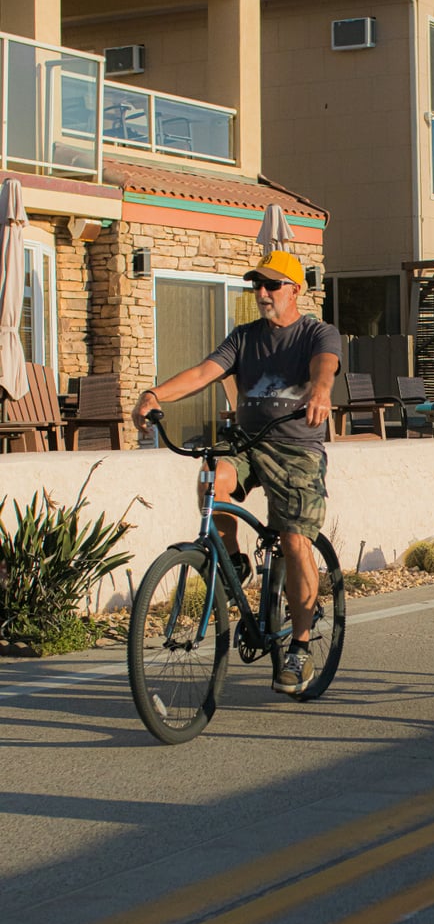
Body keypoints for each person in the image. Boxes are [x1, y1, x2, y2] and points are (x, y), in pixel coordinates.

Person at [132, 249, 342, 694]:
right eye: (256, 286)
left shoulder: (316, 333)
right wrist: (155, 394)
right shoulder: (244, 337)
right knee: (213, 477)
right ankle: (233, 559)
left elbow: (325, 366)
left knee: (293, 540)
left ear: (295, 290)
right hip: (247, 443)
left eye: (271, 285)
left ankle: (300, 649)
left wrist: (322, 390)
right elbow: (204, 372)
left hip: (295, 449)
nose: (262, 293)